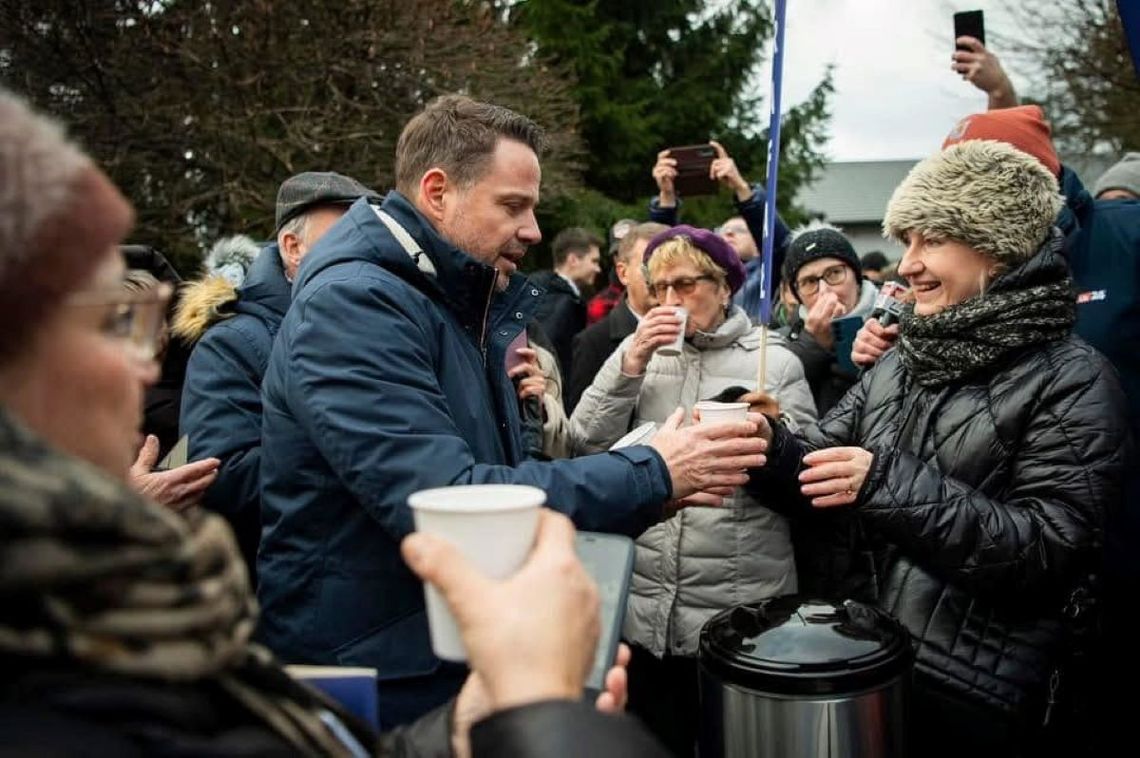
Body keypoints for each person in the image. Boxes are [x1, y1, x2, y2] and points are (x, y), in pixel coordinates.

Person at [0, 86, 666, 758]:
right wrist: (656, 471)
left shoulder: (136, 602)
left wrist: (457, 734)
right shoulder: (354, 304)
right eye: (111, 321)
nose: (147, 370)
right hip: (375, 652)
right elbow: (440, 494)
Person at [257, 94, 769, 727]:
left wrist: (658, 484)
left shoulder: (455, 300)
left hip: (437, 653)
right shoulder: (355, 307)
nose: (533, 230)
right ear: (437, 192)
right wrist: (649, 470)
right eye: (512, 206)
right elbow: (453, 503)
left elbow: (504, 468)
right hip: (378, 675)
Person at [748, 140, 1130, 756]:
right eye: (906, 242)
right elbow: (818, 467)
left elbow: (1048, 553)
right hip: (866, 665)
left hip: (980, 700)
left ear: (998, 247)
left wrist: (883, 484)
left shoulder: (1075, 378)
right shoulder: (902, 362)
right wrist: (765, 449)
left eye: (931, 241)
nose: (906, 266)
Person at [569, 225, 815, 756]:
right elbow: (583, 444)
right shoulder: (640, 356)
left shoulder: (775, 361)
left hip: (739, 604)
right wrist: (628, 365)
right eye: (659, 289)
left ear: (726, 285)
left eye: (686, 284)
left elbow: (808, 480)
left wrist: (774, 439)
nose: (671, 300)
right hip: (645, 609)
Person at [176, 171, 377, 580]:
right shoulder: (230, 345)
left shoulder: (383, 328)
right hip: (289, 582)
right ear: (292, 247)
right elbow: (222, 476)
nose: (365, 249)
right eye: (346, 235)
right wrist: (367, 447)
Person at [650, 140, 790, 319]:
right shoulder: (701, 274)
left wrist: (740, 187)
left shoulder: (768, 274)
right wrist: (666, 197)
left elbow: (779, 243)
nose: (729, 233)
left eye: (740, 230)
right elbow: (665, 255)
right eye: (723, 230)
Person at [568, 221, 668, 413]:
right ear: (623, 273)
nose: (661, 277)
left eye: (670, 267)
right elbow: (580, 429)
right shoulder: (593, 342)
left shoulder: (693, 332)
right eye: (650, 266)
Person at [779, 224, 878, 416]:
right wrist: (813, 343)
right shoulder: (783, 342)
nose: (825, 290)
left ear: (856, 277)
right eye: (809, 282)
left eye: (834, 273)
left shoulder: (893, 321)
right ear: (798, 295)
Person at [529, 226, 603, 378]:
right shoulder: (564, 304)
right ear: (573, 260)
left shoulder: (540, 292)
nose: (598, 269)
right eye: (594, 261)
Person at [586, 218, 638, 325]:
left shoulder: (663, 293)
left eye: (630, 250)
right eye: (619, 253)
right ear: (614, 258)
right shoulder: (600, 305)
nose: (625, 257)